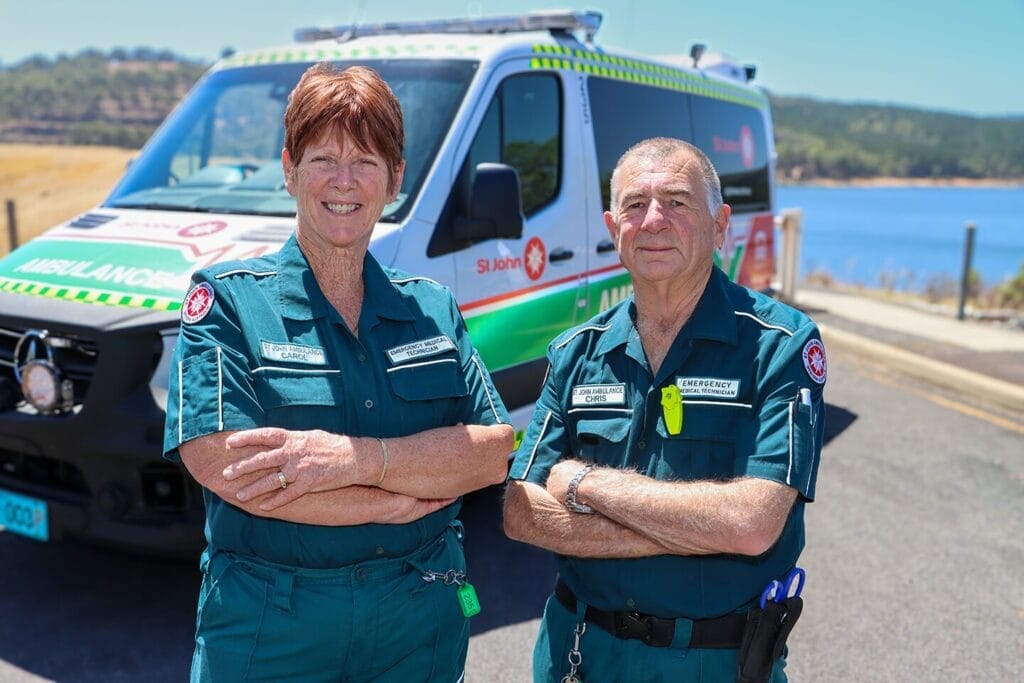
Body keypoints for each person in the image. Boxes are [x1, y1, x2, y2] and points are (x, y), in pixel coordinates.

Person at [163, 63, 514, 682]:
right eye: (324, 158)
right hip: (272, 630)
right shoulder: (228, 302)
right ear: (290, 169)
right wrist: (397, 500)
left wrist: (354, 462)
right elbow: (227, 467)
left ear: (396, 178)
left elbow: (490, 453)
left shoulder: (431, 306)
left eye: (368, 162)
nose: (344, 181)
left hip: (419, 619)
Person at [503, 137, 826, 682]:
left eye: (677, 202)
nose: (653, 220)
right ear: (613, 228)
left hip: (713, 662)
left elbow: (752, 525)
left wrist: (583, 483)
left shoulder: (781, 345)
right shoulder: (575, 352)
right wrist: (696, 532)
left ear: (720, 225)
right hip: (579, 653)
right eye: (634, 204)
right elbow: (518, 511)